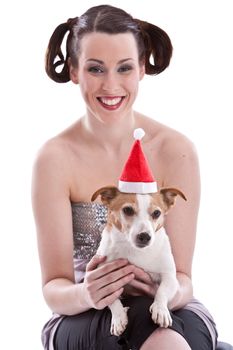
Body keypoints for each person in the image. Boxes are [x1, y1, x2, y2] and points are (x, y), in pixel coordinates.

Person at [31, 4, 218, 350]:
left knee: (165, 336)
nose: (111, 85)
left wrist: (161, 295)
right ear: (74, 71)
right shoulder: (54, 158)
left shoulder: (176, 150)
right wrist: (88, 291)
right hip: (85, 311)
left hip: (170, 306)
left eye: (125, 68)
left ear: (142, 69)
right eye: (96, 69)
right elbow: (54, 289)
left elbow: (183, 280)